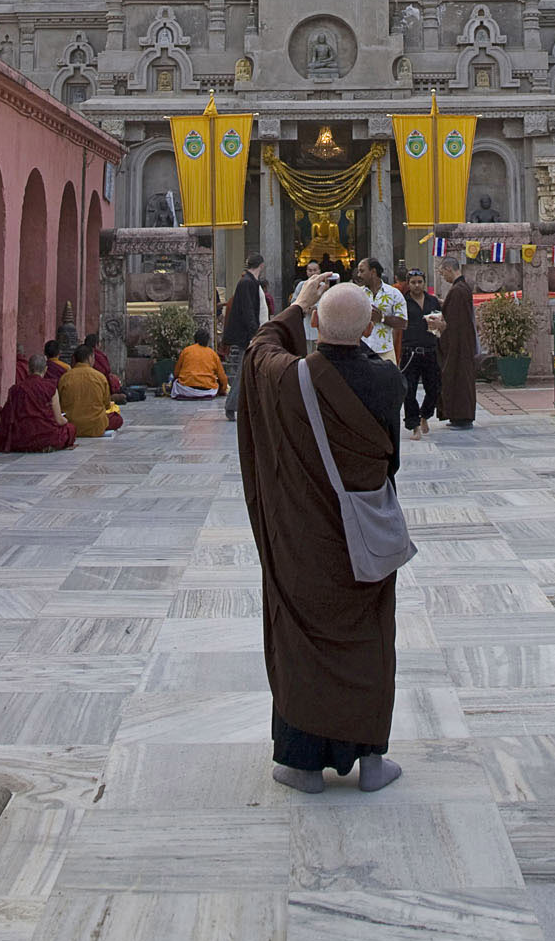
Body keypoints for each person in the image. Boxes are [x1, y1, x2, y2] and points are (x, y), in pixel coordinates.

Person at [238, 273, 405, 796]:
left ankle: (304, 762)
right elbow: (391, 458)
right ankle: (371, 760)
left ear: (313, 323)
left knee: (304, 641)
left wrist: (294, 305)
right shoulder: (389, 381)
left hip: (307, 538)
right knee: (370, 638)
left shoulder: (290, 378)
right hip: (363, 537)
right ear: (371, 326)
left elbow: (257, 351)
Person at [0, 353, 77, 452]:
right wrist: (66, 421)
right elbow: (59, 420)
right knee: (70, 428)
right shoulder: (50, 387)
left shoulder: (16, 389)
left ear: (28, 369)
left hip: (21, 438)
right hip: (46, 438)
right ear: (46, 369)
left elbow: (7, 416)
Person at [221, 251, 266, 422]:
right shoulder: (247, 283)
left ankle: (250, 405)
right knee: (242, 371)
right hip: (246, 336)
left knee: (249, 370)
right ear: (261, 265)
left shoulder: (248, 282)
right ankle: (231, 406)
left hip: (248, 334)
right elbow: (248, 311)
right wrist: (255, 333)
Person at [399, 274, 444, 439]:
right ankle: (414, 425)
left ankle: (425, 415)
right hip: (410, 351)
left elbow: (443, 322)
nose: (417, 285)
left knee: (433, 388)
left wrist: (440, 325)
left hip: (430, 349)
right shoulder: (403, 301)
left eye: (419, 282)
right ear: (408, 284)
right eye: (413, 282)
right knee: (408, 390)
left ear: (424, 283)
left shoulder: (432, 301)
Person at [436, 268, 478, 428]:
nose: (443, 276)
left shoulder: (458, 291)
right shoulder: (461, 288)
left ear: (449, 269)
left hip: (458, 344)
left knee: (458, 379)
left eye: (443, 273)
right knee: (460, 378)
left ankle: (462, 417)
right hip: (462, 343)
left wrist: (440, 326)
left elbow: (454, 323)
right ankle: (458, 416)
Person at [58, 342, 124, 436]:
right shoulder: (99, 377)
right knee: (117, 419)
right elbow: (106, 405)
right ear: (89, 358)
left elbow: (60, 404)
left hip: (72, 425)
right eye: (93, 358)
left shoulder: (65, 378)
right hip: (95, 426)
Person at [356, 256, 405, 365]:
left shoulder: (393, 293)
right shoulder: (357, 294)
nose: (358, 275)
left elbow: (403, 323)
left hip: (385, 352)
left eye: (362, 271)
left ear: (373, 272)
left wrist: (382, 318)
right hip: (361, 352)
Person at [171, 325, 229, 399]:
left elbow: (176, 373)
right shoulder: (213, 354)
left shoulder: (186, 351)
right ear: (207, 340)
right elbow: (222, 377)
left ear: (195, 339)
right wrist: (223, 390)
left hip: (186, 389)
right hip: (208, 390)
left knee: (175, 382)